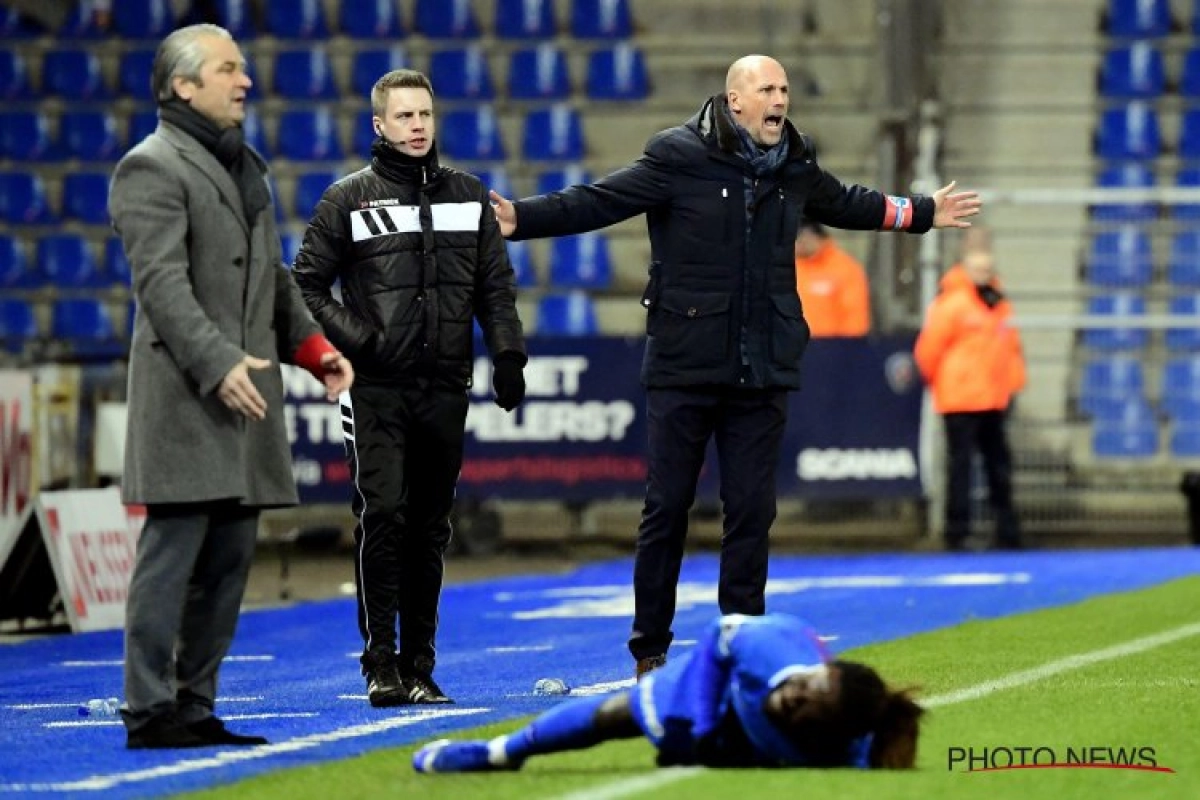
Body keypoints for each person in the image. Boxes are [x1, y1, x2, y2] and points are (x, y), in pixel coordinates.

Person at [488, 54, 981, 679]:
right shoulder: (677, 155)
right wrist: (522, 218)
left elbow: (848, 203)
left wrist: (919, 213)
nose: (780, 100)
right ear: (735, 101)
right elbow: (599, 200)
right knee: (666, 508)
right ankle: (651, 650)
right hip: (684, 364)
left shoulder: (793, 164)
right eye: (767, 89)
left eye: (785, 89)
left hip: (762, 365)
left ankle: (742, 640)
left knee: (751, 511)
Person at [108, 23, 354, 749]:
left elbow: (272, 276)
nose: (243, 80)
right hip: (191, 393)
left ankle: (194, 705)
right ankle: (149, 709)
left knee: (227, 563)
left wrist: (312, 347)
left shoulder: (243, 164)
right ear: (183, 84)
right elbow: (161, 286)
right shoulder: (150, 166)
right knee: (172, 555)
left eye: (241, 68)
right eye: (227, 69)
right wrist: (217, 364)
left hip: (248, 394)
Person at [291, 69, 528, 708]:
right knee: (384, 515)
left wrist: (508, 353)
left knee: (430, 526)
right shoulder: (347, 200)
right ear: (379, 126)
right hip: (376, 387)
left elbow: (494, 289)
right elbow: (304, 284)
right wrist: (362, 340)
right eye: (404, 116)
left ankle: (420, 666)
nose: (417, 126)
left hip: (446, 385)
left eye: (424, 114)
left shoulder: (469, 194)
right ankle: (380, 663)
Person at [411, 612, 923, 772]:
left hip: (750, 741)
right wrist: (694, 727)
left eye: (812, 705)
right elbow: (718, 645)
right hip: (712, 697)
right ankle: (499, 753)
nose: (798, 694)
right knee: (616, 716)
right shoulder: (773, 647)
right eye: (809, 684)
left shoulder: (844, 745)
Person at [914, 238, 1026, 551]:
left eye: (987, 268)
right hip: (961, 400)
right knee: (961, 467)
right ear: (965, 268)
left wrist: (1012, 385)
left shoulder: (998, 302)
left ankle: (1006, 532)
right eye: (978, 267)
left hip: (993, 398)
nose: (984, 273)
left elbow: (1011, 348)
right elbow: (928, 350)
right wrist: (945, 383)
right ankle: (957, 532)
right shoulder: (952, 304)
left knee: (998, 467)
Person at [793, 220, 871, 337]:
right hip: (792, 347)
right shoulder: (788, 267)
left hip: (833, 346)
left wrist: (848, 346)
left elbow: (855, 314)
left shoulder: (844, 267)